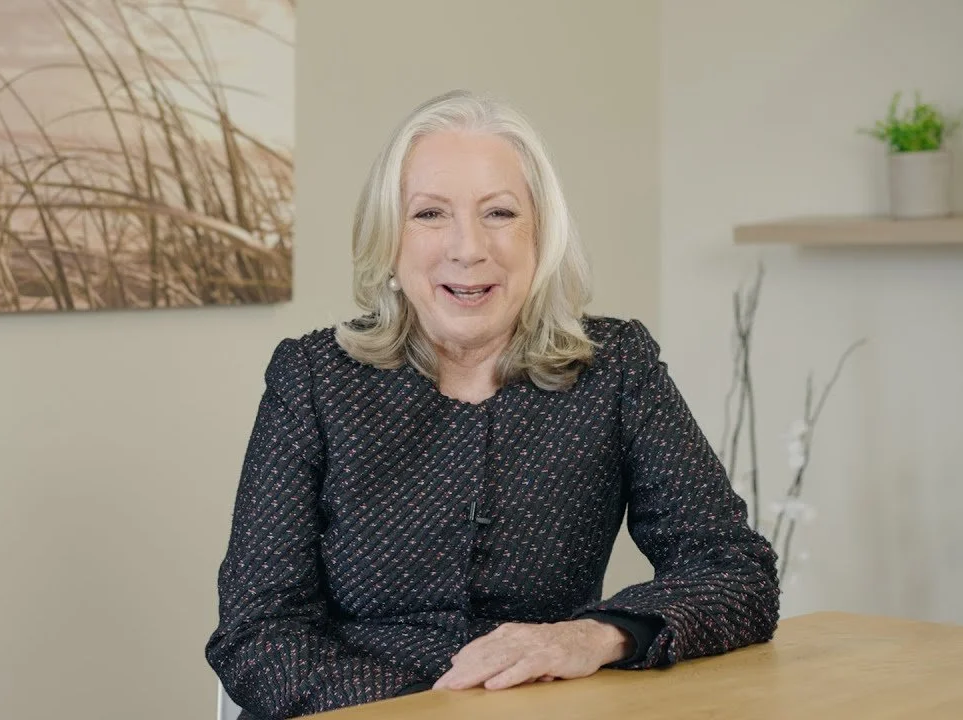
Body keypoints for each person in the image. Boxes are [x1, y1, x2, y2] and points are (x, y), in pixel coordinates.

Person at [205, 89, 779, 720]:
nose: (467, 247)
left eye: (499, 213)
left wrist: (592, 635)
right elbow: (256, 632)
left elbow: (735, 570)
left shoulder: (615, 365)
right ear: (389, 239)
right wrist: (433, 709)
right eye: (429, 214)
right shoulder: (313, 377)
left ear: (542, 235)